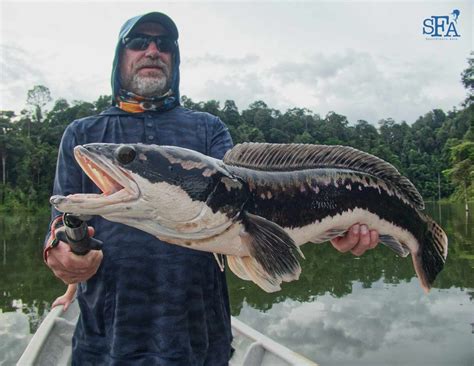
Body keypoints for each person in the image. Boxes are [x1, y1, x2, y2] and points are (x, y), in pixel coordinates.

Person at [44, 11, 379, 365]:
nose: (153, 50)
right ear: (120, 57)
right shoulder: (82, 136)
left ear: (175, 58)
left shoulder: (208, 129)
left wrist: (330, 224)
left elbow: (244, 208)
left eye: (165, 44)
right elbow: (60, 227)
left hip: (199, 342)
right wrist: (63, 256)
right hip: (107, 343)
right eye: (139, 42)